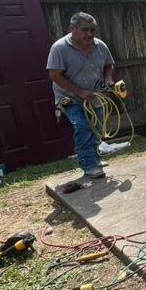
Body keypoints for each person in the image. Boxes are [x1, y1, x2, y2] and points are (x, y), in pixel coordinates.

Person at [47, 12, 115, 179]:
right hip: (69, 97)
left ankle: (94, 159)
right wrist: (79, 92)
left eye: (93, 30)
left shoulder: (100, 46)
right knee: (83, 126)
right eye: (85, 30)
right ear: (73, 29)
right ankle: (89, 165)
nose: (89, 34)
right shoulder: (59, 48)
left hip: (95, 95)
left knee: (97, 128)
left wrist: (108, 80)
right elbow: (54, 75)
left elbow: (109, 65)